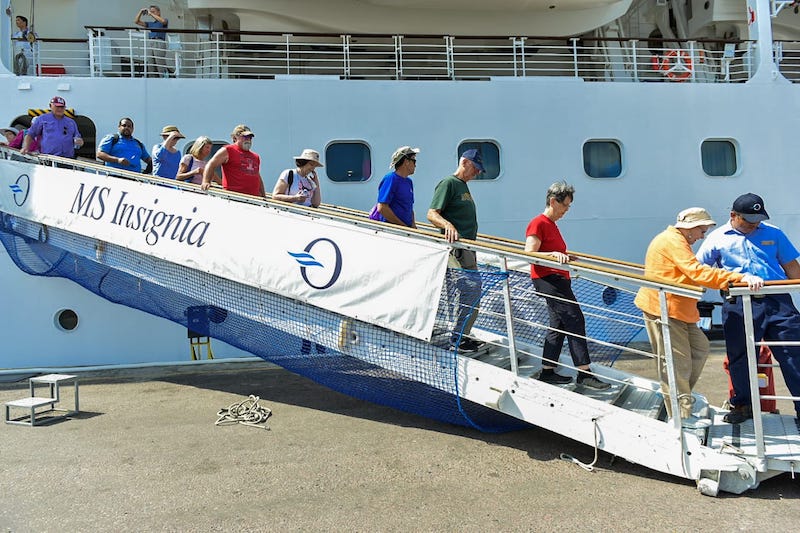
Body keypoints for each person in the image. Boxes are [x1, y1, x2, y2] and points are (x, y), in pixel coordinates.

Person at [634, 207, 763, 426]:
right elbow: (697, 272)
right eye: (701, 230)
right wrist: (738, 277)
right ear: (690, 228)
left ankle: (676, 396)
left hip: (678, 309)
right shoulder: (673, 241)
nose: (702, 236)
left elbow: (693, 272)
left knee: (700, 349)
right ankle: (681, 414)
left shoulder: (676, 240)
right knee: (677, 362)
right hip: (664, 308)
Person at [697, 193, 800, 424]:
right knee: (740, 357)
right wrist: (737, 278)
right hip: (739, 303)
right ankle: (743, 406)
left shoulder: (773, 233)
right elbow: (701, 271)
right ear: (733, 215)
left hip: (778, 301)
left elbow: (793, 268)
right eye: (749, 220)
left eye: (758, 219)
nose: (755, 224)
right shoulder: (717, 238)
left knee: (794, 354)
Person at [524, 181, 610, 390]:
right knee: (574, 319)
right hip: (548, 279)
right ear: (553, 201)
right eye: (565, 206)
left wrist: (565, 256)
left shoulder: (551, 225)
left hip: (558, 279)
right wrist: (553, 255)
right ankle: (584, 373)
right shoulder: (538, 223)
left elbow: (550, 251)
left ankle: (547, 371)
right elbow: (528, 254)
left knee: (559, 325)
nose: (566, 211)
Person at [427, 149, 484, 353]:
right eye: (476, 168)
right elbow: (432, 214)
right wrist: (448, 226)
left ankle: (463, 335)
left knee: (474, 290)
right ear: (465, 162)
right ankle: (458, 338)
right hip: (456, 251)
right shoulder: (449, 184)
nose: (477, 173)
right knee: (470, 288)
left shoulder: (463, 187)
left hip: (468, 249)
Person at [201, 124, 265, 198]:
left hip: (253, 199)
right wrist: (206, 181)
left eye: (250, 137)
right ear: (235, 137)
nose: (248, 139)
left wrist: (263, 195)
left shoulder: (255, 156)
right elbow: (211, 164)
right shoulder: (227, 150)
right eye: (245, 137)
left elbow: (257, 176)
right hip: (233, 198)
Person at [370, 146, 419, 227]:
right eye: (414, 161)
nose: (415, 165)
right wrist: (402, 226)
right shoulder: (390, 179)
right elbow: (382, 207)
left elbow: (409, 207)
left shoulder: (408, 182)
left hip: (406, 230)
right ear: (406, 161)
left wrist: (413, 225)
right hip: (392, 230)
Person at [134, 5, 169, 76]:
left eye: (153, 11)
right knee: (150, 63)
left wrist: (151, 13)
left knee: (160, 63)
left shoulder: (164, 20)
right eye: (151, 11)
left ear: (159, 12)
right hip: (151, 42)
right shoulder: (151, 24)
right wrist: (141, 11)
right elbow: (136, 21)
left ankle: (165, 80)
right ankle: (152, 80)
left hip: (159, 42)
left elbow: (163, 21)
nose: (151, 13)